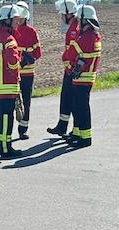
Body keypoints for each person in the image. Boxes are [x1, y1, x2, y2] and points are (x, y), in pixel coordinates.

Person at [62, 4, 101, 148]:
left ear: (85, 20)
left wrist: (69, 62)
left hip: (82, 78)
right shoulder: (94, 36)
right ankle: (78, 134)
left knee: (81, 108)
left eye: (79, 19)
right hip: (86, 77)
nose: (78, 22)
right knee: (78, 107)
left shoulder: (86, 38)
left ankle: (85, 138)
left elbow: (68, 54)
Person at [0, 5, 23, 158]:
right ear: (8, 20)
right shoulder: (9, 40)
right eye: (15, 19)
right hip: (7, 86)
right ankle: (5, 148)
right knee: (6, 118)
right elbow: (12, 62)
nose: (18, 22)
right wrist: (20, 59)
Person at [46, 0, 80, 137]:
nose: (61, 17)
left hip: (72, 70)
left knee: (73, 99)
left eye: (62, 15)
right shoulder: (73, 27)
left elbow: (74, 53)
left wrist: (69, 67)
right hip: (69, 69)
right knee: (66, 97)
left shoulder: (74, 29)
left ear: (68, 14)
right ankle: (62, 126)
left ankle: (76, 129)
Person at [12, 1, 42, 140]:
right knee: (12, 103)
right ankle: (9, 130)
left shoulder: (31, 32)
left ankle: (23, 129)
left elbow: (38, 53)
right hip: (12, 74)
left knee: (26, 102)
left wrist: (28, 58)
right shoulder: (12, 31)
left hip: (27, 74)